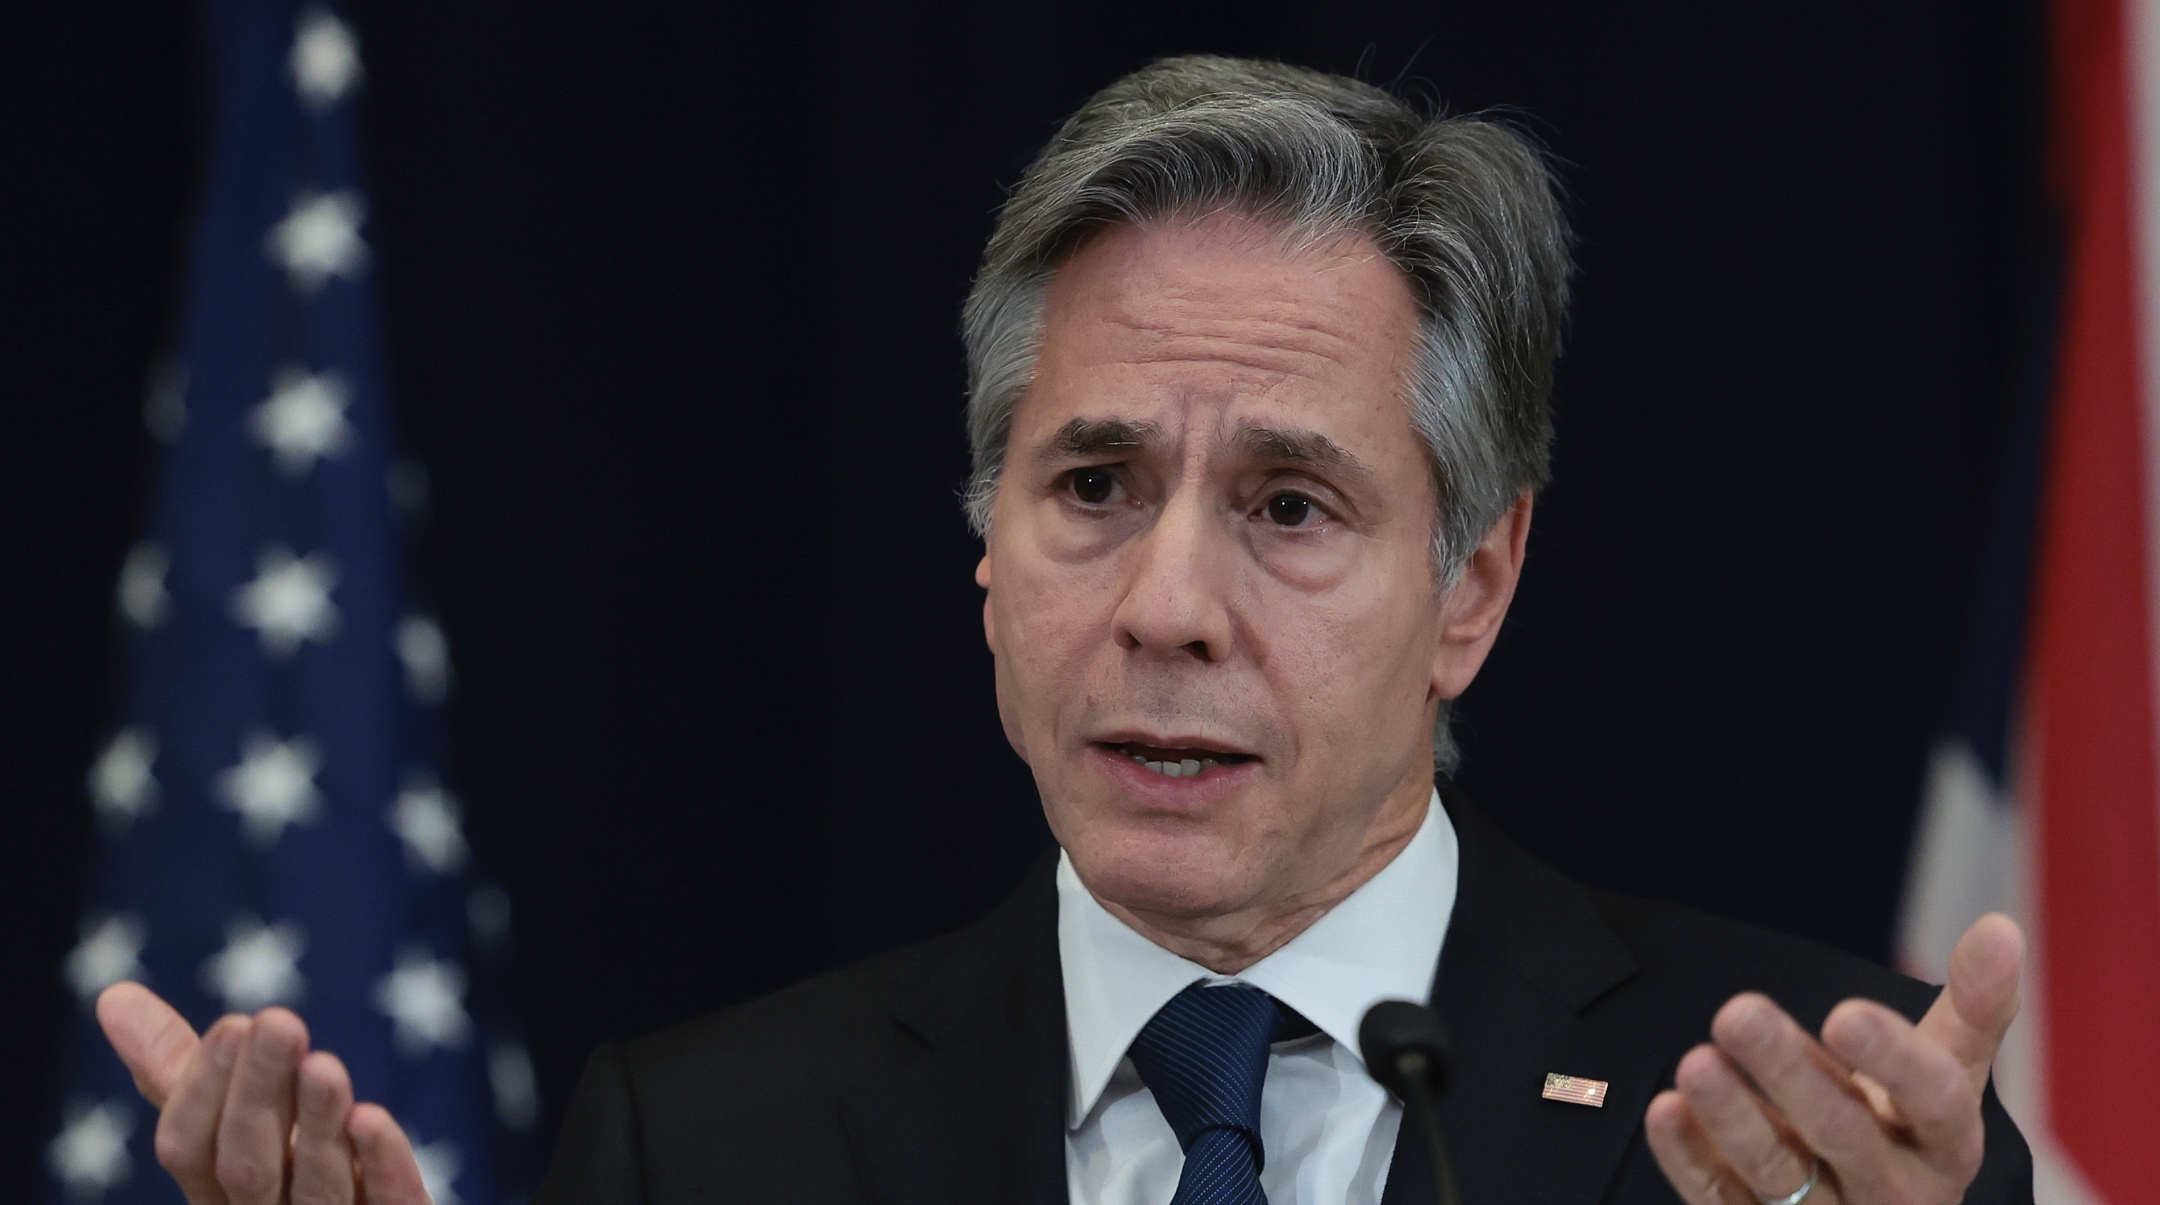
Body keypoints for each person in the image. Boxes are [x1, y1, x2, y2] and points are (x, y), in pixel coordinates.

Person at [96, 55, 2032, 1205]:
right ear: (987, 551)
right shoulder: (711, 1145)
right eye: (1093, 488)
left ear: (1476, 589)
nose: (1167, 608)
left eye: (1290, 506)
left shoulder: (1791, 1127)